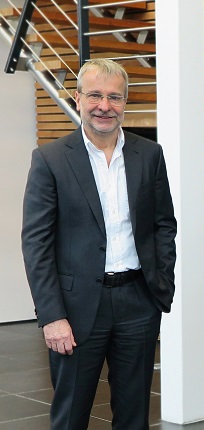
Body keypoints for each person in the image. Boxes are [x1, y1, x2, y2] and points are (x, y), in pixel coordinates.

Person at [21, 58, 177, 429]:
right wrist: (52, 316)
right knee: (71, 415)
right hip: (74, 310)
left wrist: (159, 287)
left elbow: (163, 224)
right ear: (77, 99)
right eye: (94, 95)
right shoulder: (51, 159)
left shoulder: (149, 154)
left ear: (125, 103)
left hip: (138, 303)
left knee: (134, 415)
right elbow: (36, 244)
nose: (104, 106)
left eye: (114, 97)